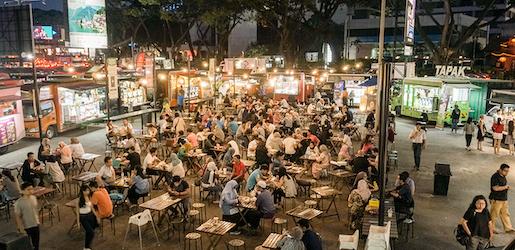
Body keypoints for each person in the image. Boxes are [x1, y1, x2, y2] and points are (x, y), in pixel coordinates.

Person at [489, 164, 514, 233]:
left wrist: (506, 188)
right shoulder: (495, 177)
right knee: (494, 215)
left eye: (507, 171)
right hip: (496, 199)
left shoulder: (503, 176)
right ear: (500, 170)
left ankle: (508, 228)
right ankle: (491, 228)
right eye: (505, 171)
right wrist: (505, 187)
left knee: (505, 214)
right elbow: (495, 188)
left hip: (503, 199)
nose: (506, 173)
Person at [14, 183, 40, 250]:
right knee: (26, 245)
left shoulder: (34, 198)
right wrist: (20, 228)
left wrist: (37, 221)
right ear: (22, 191)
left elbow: (35, 210)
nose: (31, 191)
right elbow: (17, 217)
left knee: (36, 244)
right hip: (26, 227)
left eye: (32, 189)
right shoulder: (18, 203)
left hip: (35, 225)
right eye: (28, 189)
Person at [76, 184, 99, 250]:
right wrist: (78, 222)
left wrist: (96, 216)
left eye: (88, 190)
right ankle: (86, 247)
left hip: (90, 216)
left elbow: (92, 208)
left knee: (89, 232)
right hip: (83, 218)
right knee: (91, 232)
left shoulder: (89, 197)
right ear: (82, 191)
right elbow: (77, 212)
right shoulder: (79, 200)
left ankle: (87, 246)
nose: (87, 192)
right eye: (86, 191)